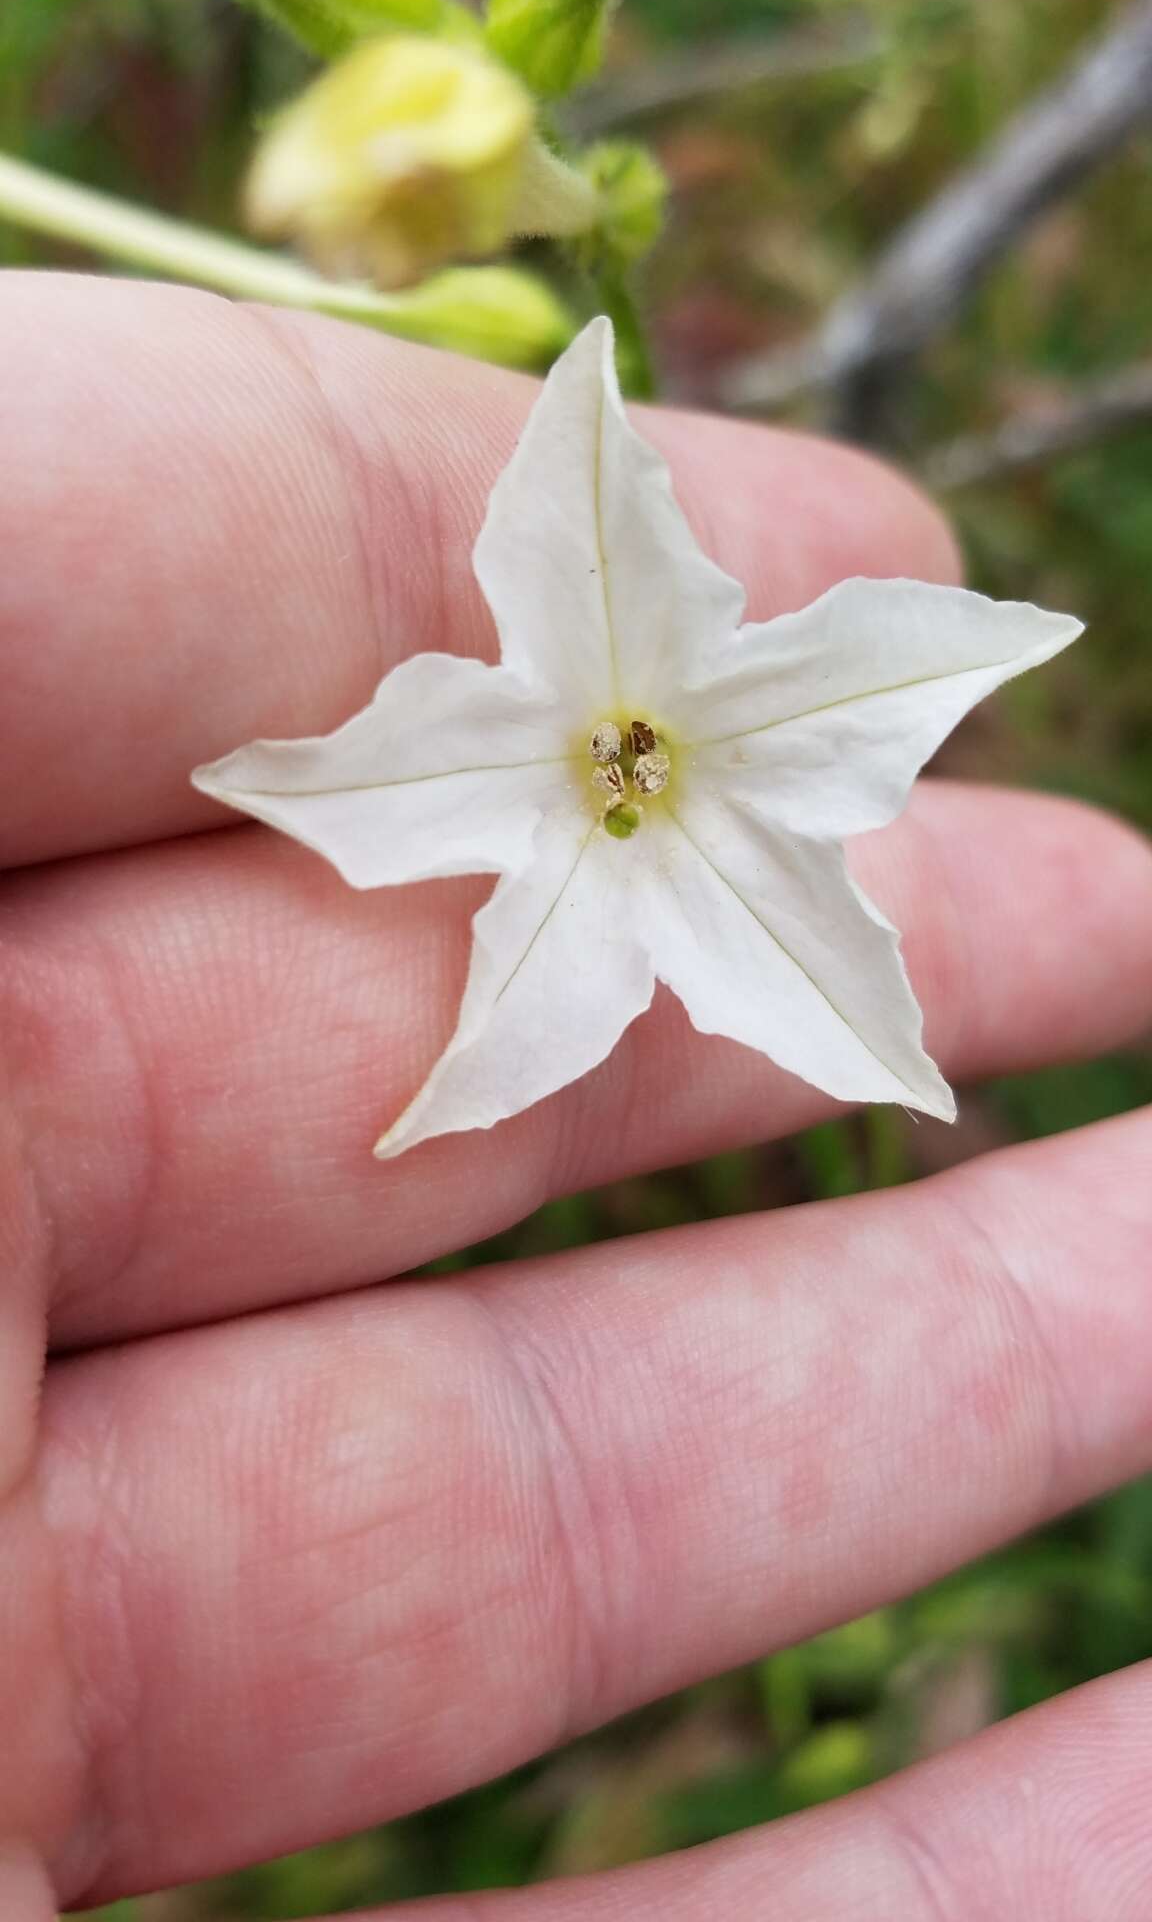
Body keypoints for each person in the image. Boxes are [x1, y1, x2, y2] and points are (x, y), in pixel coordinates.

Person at [3, 270, 1151, 1922]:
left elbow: (842, 955)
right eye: (623, 753)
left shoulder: (698, 733)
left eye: (632, 755)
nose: (626, 759)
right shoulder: (577, 694)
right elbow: (539, 562)